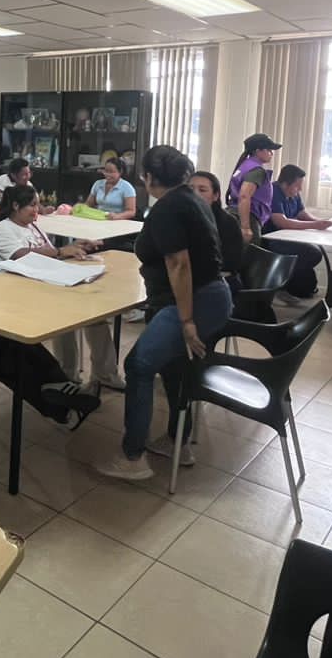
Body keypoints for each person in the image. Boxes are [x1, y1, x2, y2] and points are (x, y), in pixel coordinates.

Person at [97, 145, 231, 481]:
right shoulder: (190, 199)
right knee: (173, 365)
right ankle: (178, 441)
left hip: (191, 300)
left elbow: (179, 264)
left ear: (148, 177)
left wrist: (186, 320)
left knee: (138, 365)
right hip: (208, 295)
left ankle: (132, 457)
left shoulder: (167, 208)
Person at [0, 185, 123, 393]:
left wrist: (77, 247)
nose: (37, 210)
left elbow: (50, 253)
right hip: (19, 290)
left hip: (45, 282)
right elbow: (21, 255)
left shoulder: (32, 226)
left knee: (95, 313)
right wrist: (61, 250)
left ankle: (105, 374)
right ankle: (67, 374)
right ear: (15, 206)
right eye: (32, 205)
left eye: (37, 205)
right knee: (67, 316)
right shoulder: (3, 228)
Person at [261, 163, 332, 299]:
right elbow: (281, 222)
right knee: (312, 254)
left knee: (313, 254)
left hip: (291, 237)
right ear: (284, 184)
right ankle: (285, 285)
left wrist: (321, 222)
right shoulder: (273, 192)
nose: (300, 189)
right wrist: (315, 225)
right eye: (297, 185)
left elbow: (302, 213)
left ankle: (295, 286)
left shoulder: (294, 193)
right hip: (274, 240)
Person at [226, 133, 282, 246]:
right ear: (257, 151)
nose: (271, 153)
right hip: (247, 217)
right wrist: (245, 227)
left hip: (234, 214)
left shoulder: (245, 166)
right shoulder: (256, 170)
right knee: (248, 254)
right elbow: (244, 196)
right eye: (269, 150)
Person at [191, 170, 247, 276]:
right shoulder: (179, 217)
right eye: (190, 189)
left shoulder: (228, 222)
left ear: (215, 196)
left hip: (218, 277)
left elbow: (231, 262)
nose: (195, 193)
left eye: (202, 190)